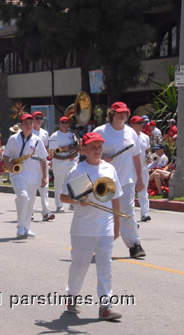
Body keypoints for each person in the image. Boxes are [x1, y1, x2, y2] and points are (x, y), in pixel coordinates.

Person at [60, 132, 123, 320]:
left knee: (105, 266)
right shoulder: (78, 171)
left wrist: (117, 226)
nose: (97, 151)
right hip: (83, 228)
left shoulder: (109, 169)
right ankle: (72, 295)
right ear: (84, 150)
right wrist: (78, 200)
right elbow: (63, 197)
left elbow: (116, 198)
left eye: (99, 147)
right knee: (80, 265)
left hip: (105, 226)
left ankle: (106, 306)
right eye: (93, 147)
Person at [94, 102, 146, 259]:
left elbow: (136, 156)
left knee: (127, 212)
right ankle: (100, 244)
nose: (122, 115)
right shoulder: (101, 131)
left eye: (125, 112)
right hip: (104, 180)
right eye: (119, 112)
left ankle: (134, 245)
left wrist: (139, 179)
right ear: (112, 114)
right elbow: (89, 152)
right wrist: (102, 158)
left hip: (126, 180)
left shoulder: (131, 133)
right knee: (103, 214)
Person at [3, 113, 48, 238]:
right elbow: (6, 155)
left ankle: (27, 227)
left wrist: (44, 176)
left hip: (33, 175)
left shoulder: (37, 140)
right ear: (21, 125)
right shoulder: (13, 139)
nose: (28, 126)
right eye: (26, 123)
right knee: (23, 197)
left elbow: (43, 159)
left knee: (30, 202)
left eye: (30, 123)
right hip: (17, 174)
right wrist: (10, 166)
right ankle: (21, 226)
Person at [49, 116, 78, 213]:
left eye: (66, 122)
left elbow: (77, 147)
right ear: (59, 124)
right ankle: (59, 205)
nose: (65, 124)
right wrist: (64, 149)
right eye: (63, 122)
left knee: (73, 183)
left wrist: (74, 155)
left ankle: (73, 203)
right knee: (59, 184)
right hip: (59, 163)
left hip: (71, 162)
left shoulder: (72, 135)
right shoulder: (54, 136)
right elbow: (51, 152)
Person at [32, 111, 54, 221]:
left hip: (42, 162)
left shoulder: (45, 133)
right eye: (37, 118)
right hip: (31, 164)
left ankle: (46, 212)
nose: (39, 120)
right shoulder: (28, 132)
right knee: (31, 188)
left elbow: (46, 148)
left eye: (41, 118)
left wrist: (49, 157)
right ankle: (30, 212)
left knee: (44, 188)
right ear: (33, 119)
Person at [129, 116, 151, 222]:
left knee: (143, 190)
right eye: (138, 123)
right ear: (132, 125)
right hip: (129, 168)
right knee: (130, 191)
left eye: (142, 123)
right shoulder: (128, 137)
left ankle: (145, 213)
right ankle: (130, 214)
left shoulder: (145, 137)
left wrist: (149, 156)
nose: (141, 125)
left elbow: (147, 150)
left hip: (143, 167)